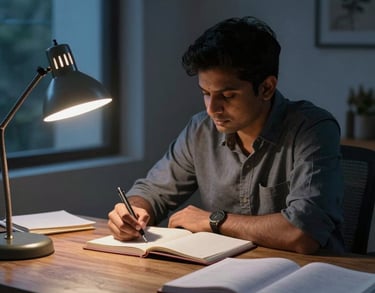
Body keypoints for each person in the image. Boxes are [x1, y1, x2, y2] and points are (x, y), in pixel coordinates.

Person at [108, 16, 344, 254]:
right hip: (226, 271)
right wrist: (132, 210)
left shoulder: (312, 128)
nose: (212, 109)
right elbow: (152, 191)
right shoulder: (201, 129)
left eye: (228, 96)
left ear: (266, 88)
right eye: (205, 93)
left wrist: (214, 220)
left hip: (306, 275)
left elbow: (303, 232)